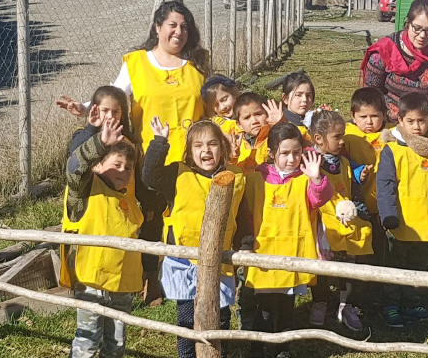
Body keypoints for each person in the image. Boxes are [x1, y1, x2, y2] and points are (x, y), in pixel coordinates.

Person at [55, 1, 211, 304]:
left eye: (184, 26)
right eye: (172, 25)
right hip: (150, 157)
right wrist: (85, 109)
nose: (179, 32)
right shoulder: (137, 63)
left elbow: (214, 102)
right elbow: (115, 94)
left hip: (192, 157)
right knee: (150, 216)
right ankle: (149, 277)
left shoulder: (197, 65)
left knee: (192, 214)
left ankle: (196, 272)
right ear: (157, 28)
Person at [142, 118, 248, 358]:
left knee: (220, 314)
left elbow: (242, 215)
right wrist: (160, 142)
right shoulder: (178, 174)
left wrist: (246, 243)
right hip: (183, 259)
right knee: (188, 316)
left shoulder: (236, 177)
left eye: (212, 144)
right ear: (190, 152)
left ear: (222, 147)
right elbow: (149, 175)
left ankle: (219, 353)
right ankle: (187, 355)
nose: (206, 150)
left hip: (219, 258)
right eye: (198, 146)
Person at [241, 123, 333, 358]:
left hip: (294, 251)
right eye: (284, 153)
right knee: (263, 306)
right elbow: (246, 214)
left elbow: (320, 198)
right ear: (272, 153)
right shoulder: (255, 180)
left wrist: (316, 177)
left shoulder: (305, 180)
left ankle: (282, 348)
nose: (291, 159)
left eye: (296, 152)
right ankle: (257, 347)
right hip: (264, 253)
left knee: (286, 306)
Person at [62, 117, 143, 358]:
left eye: (128, 168)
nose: (123, 171)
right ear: (97, 166)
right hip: (92, 283)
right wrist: (99, 142)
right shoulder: (85, 191)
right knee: (87, 342)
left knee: (116, 343)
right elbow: (74, 167)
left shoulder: (129, 202)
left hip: (122, 285)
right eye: (116, 164)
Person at [376, 92, 428, 328]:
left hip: (424, 221)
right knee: (395, 264)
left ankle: (412, 302)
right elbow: (385, 186)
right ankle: (391, 304)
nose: (417, 127)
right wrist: (388, 216)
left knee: (417, 264)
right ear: (400, 121)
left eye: (422, 121)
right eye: (411, 121)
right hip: (400, 222)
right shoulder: (392, 151)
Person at [307, 110, 373, 331]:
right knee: (321, 265)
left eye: (343, 135)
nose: (342, 140)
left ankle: (346, 304)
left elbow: (351, 177)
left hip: (345, 221)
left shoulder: (343, 162)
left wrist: (360, 174)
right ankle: (321, 300)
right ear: (318, 139)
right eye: (337, 137)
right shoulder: (310, 162)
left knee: (348, 262)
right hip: (322, 223)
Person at [360, 0, 428, 125]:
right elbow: (372, 95)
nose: (422, 35)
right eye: (417, 28)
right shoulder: (385, 51)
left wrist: (425, 128)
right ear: (408, 23)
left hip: (423, 124)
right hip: (386, 121)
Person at [341, 87, 390, 266]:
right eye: (363, 117)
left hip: (384, 204)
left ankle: (381, 283)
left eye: (375, 116)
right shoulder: (347, 135)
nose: (369, 122)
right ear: (353, 116)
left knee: (381, 245)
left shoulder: (392, 134)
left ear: (384, 114)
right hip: (358, 202)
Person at [230, 92, 282, 173]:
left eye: (258, 114)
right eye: (247, 117)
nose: (254, 121)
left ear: (267, 114)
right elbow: (230, 173)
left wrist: (282, 125)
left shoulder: (276, 137)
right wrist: (233, 157)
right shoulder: (236, 145)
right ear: (239, 124)